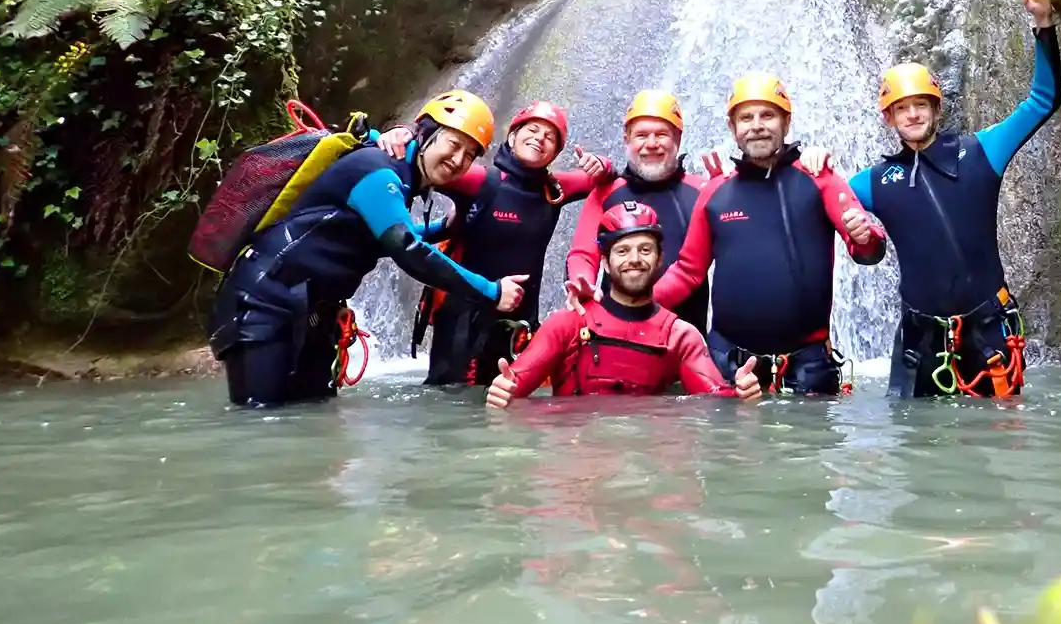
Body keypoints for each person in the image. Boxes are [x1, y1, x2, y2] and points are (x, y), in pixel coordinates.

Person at [208, 90, 519, 408]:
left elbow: (377, 236)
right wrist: (491, 291)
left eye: (469, 155)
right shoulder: (378, 170)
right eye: (453, 145)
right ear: (425, 133)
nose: (458, 160)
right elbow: (407, 248)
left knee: (312, 420)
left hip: (311, 311)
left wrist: (441, 228)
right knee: (261, 423)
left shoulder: (399, 175)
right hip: (264, 303)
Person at [850, 0, 1061, 398]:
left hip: (988, 334)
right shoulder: (873, 182)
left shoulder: (982, 152)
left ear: (936, 109)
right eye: (901, 109)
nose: (912, 115)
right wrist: (813, 168)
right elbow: (820, 204)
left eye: (920, 105)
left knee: (999, 452)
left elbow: (1043, 100)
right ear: (889, 119)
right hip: (921, 344)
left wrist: (1043, 25)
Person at [646, 73, 886, 395]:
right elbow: (688, 271)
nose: (756, 125)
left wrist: (864, 236)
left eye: (767, 115)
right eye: (746, 118)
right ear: (733, 129)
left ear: (786, 123)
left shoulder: (819, 178)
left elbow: (870, 251)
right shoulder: (716, 191)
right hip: (728, 364)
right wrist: (634, 305)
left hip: (807, 368)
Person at [378, 99, 612, 387]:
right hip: (464, 323)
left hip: (520, 324)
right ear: (512, 136)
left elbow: (608, 178)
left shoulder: (556, 189)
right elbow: (423, 158)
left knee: (509, 411)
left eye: (550, 137)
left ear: (555, 153)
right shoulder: (479, 179)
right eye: (533, 129)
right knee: (452, 409)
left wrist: (602, 165)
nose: (540, 138)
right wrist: (400, 133)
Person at [485, 201, 761, 406]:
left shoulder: (681, 336)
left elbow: (715, 403)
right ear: (604, 261)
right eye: (622, 251)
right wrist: (501, 393)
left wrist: (742, 395)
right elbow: (513, 387)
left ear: (659, 258)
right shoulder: (567, 325)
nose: (635, 259)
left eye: (645, 249)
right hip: (577, 463)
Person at [564, 90, 712, 334]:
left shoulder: (702, 192)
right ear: (627, 139)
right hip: (612, 332)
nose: (651, 144)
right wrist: (583, 283)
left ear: (678, 138)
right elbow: (583, 253)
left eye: (662, 134)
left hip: (682, 342)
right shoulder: (606, 192)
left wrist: (637, 306)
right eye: (641, 135)